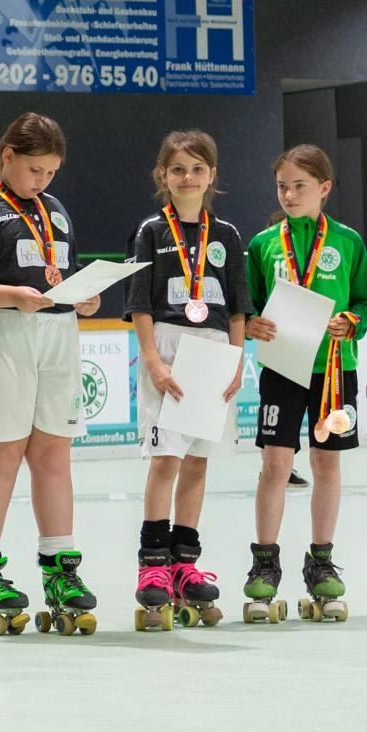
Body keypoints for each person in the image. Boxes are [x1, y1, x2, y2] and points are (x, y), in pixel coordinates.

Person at [0, 112, 100, 636]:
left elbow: (62, 273)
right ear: (7, 155)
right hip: (1, 335)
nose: (42, 181)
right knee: (3, 454)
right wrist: (11, 296)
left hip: (57, 335)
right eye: (35, 169)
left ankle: (60, 568)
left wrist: (84, 296)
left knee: (53, 452)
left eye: (51, 172)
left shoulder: (56, 212)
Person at [241, 146, 367, 622]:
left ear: (324, 187)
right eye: (282, 186)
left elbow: (366, 303)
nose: (289, 194)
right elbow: (249, 306)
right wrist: (252, 323)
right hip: (283, 367)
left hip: (334, 369)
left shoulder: (348, 241)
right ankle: (265, 562)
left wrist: (352, 322)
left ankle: (321, 561)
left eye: (300, 186)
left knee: (326, 462)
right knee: (275, 463)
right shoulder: (263, 244)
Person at [124, 131, 247, 629]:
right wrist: (153, 360)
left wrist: (237, 360)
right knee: (165, 460)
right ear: (163, 175)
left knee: (197, 461)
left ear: (211, 175)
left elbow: (237, 307)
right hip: (169, 349)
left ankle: (184, 564)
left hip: (215, 350)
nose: (188, 177)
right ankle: (153, 564)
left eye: (198, 169)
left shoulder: (228, 235)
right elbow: (139, 303)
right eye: (178, 169)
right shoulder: (150, 231)